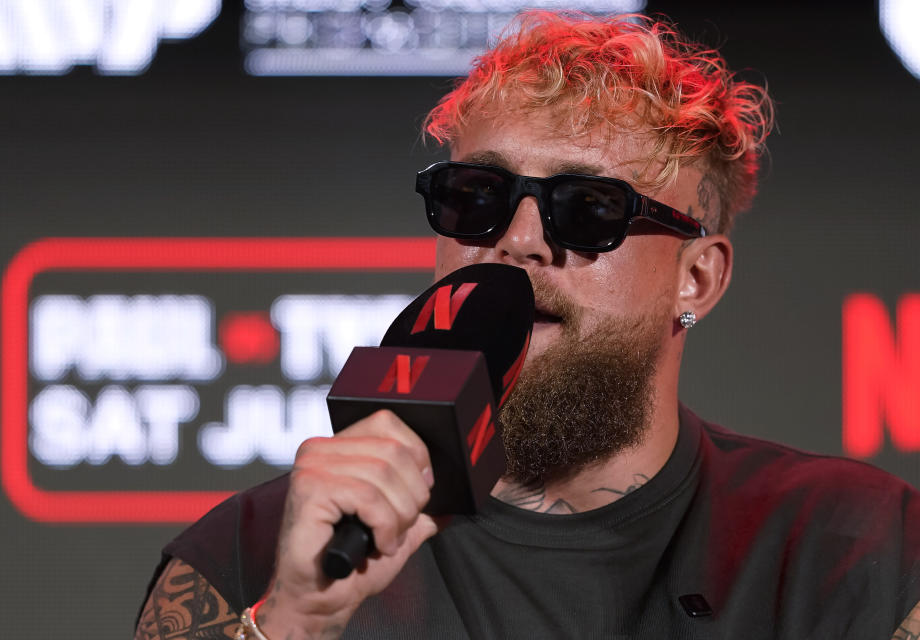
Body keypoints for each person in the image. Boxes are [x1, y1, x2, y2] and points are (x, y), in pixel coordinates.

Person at [135, 11, 920, 640]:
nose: (517, 238)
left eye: (587, 209)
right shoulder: (255, 554)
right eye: (476, 196)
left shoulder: (861, 552)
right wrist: (296, 625)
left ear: (698, 276)